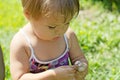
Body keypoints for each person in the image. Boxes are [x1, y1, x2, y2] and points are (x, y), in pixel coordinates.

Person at [10, 0, 88, 80]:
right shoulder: (22, 44)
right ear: (28, 15)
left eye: (67, 23)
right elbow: (19, 77)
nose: (61, 31)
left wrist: (81, 67)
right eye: (52, 27)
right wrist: (53, 76)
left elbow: (79, 58)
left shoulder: (68, 36)